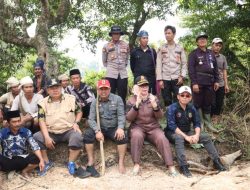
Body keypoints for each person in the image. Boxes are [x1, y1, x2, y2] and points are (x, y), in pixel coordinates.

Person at [165, 86, 226, 177]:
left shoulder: (191, 108)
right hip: (173, 133)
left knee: (205, 137)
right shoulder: (172, 108)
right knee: (179, 138)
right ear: (178, 96)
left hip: (187, 132)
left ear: (190, 97)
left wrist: (197, 135)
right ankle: (183, 166)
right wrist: (186, 137)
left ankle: (217, 161)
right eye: (182, 95)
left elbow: (197, 123)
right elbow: (172, 126)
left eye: (187, 95)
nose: (185, 97)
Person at [33, 79, 88, 177]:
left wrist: (76, 122)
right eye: (52, 88)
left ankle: (71, 163)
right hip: (51, 131)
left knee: (77, 136)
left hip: (68, 130)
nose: (55, 90)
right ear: (47, 90)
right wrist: (46, 137)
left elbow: (79, 111)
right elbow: (41, 121)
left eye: (57, 87)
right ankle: (46, 162)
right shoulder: (42, 103)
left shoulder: (71, 98)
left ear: (61, 88)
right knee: (37, 137)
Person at [126, 76, 177, 176]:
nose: (144, 88)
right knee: (136, 136)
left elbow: (160, 117)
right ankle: (136, 164)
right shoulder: (131, 100)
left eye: (146, 85)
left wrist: (155, 105)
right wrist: (136, 105)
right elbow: (129, 118)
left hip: (153, 127)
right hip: (138, 127)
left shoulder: (154, 98)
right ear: (136, 87)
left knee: (162, 138)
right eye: (141, 86)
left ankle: (170, 165)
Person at [83, 79, 128, 176]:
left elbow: (121, 115)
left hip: (113, 128)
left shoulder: (117, 99)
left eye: (106, 89)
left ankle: (121, 162)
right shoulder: (94, 102)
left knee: (123, 137)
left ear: (110, 89)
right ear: (97, 90)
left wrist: (120, 128)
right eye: (101, 89)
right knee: (87, 135)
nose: (103, 91)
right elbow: (91, 119)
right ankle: (91, 161)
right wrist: (97, 131)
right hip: (100, 128)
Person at [188, 33, 220, 132]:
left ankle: (208, 123)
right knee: (197, 104)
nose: (202, 40)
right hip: (198, 83)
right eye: (200, 39)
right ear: (197, 42)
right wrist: (194, 83)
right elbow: (191, 69)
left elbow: (215, 69)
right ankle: (199, 123)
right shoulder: (193, 54)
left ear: (207, 41)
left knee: (207, 103)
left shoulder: (211, 53)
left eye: (204, 39)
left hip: (210, 83)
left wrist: (217, 81)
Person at [0, 110, 44, 177]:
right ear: (8, 123)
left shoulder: (26, 132)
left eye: (18, 121)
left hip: (23, 160)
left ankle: (25, 171)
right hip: (7, 160)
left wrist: (41, 160)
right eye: (14, 122)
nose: (17, 124)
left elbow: (35, 146)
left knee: (37, 158)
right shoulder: (2, 132)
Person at [156, 25, 187, 106]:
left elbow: (184, 63)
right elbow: (158, 64)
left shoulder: (180, 48)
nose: (167, 35)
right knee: (167, 99)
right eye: (165, 33)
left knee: (178, 98)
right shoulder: (161, 48)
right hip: (165, 78)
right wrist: (160, 80)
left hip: (177, 78)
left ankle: (178, 116)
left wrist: (182, 76)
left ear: (174, 34)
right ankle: (169, 117)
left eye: (169, 33)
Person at [102, 25, 130, 105]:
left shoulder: (125, 45)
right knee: (110, 94)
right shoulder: (106, 46)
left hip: (122, 73)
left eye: (118, 33)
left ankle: (122, 112)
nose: (116, 35)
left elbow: (127, 58)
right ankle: (110, 112)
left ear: (120, 34)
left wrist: (122, 66)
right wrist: (111, 67)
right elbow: (104, 61)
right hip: (111, 73)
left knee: (122, 94)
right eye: (114, 33)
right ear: (112, 34)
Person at [130, 30, 157, 95]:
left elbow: (156, 64)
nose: (146, 40)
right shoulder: (134, 51)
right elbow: (132, 66)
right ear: (139, 39)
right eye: (143, 38)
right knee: (138, 97)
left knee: (151, 98)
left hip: (150, 80)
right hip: (138, 79)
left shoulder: (152, 51)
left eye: (147, 38)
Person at [211, 38, 230, 123]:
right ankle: (208, 118)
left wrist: (226, 84)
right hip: (210, 83)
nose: (217, 47)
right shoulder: (208, 55)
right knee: (211, 102)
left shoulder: (223, 57)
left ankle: (216, 118)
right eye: (216, 45)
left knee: (219, 102)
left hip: (221, 83)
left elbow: (225, 71)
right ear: (212, 45)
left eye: (219, 45)